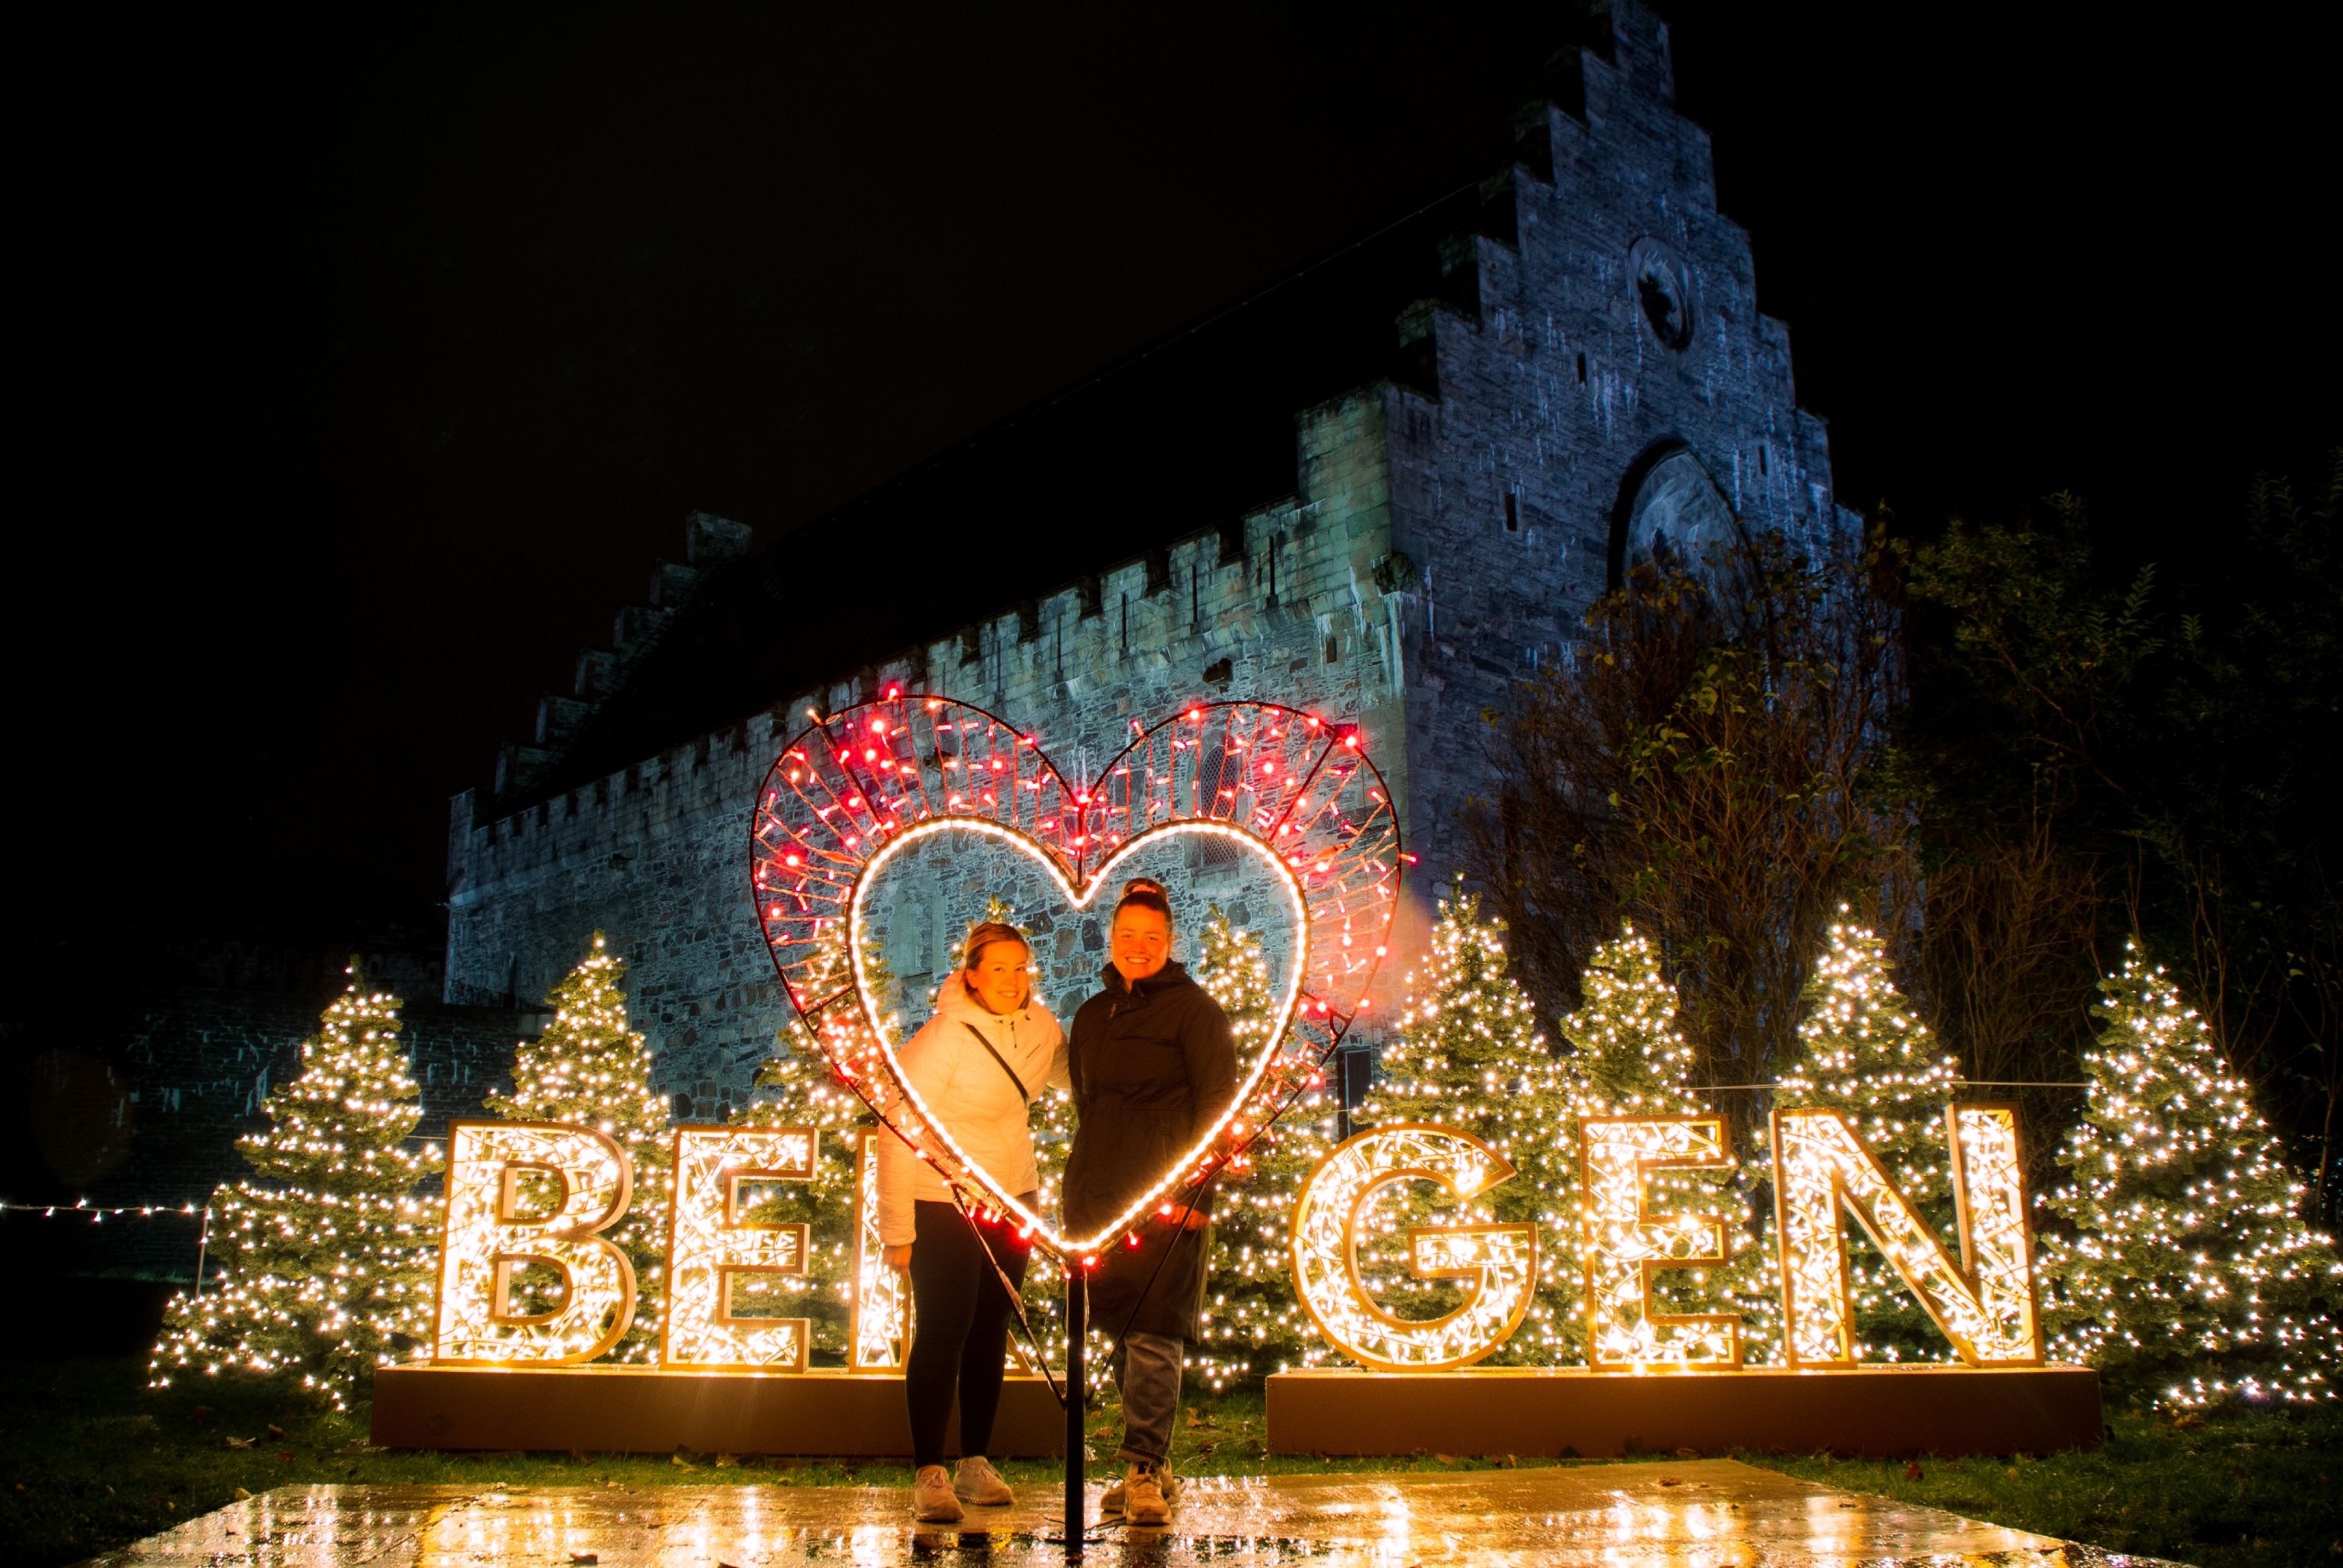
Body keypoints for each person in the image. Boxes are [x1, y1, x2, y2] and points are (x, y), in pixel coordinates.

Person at [879, 921, 1068, 1524]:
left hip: (1016, 1197)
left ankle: (975, 1461)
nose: (1012, 981)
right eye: (998, 969)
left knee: (991, 1329)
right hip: (947, 1202)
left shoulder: (1042, 1027)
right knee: (943, 1330)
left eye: (1021, 969)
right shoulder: (943, 1038)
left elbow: (1075, 1078)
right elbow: (896, 1127)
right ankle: (929, 1472)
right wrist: (897, 1230)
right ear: (971, 975)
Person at [1061, 878, 1237, 1527]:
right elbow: (1088, 1102)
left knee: (1156, 1330)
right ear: (1112, 937)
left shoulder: (1197, 1013)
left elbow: (1219, 1110)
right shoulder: (1090, 1015)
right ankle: (1152, 1460)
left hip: (1168, 1193)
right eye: (1128, 936)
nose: (1139, 948)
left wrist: (1195, 1193)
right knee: (1115, 1327)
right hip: (1098, 1192)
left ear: (1171, 943)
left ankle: (1140, 1469)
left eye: (1152, 938)